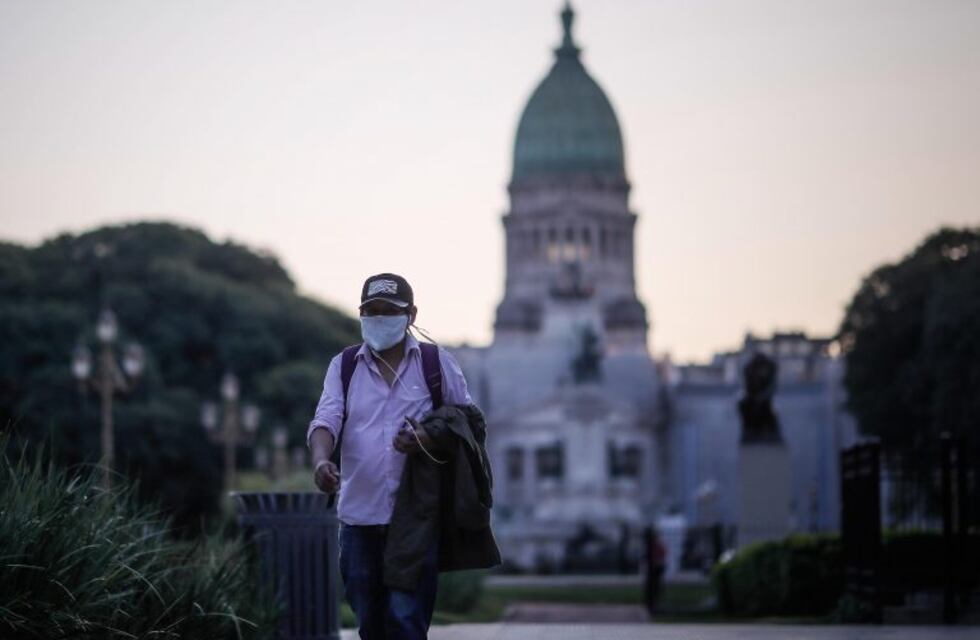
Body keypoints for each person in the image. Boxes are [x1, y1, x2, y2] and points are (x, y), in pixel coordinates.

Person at [306, 272, 475, 640]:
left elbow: (467, 422)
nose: (379, 317)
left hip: (416, 516)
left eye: (389, 310)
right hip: (358, 518)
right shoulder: (345, 366)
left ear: (411, 314)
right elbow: (325, 421)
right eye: (372, 310)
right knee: (371, 624)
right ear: (361, 313)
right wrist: (321, 461)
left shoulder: (436, 363)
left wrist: (426, 436)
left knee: (406, 621)